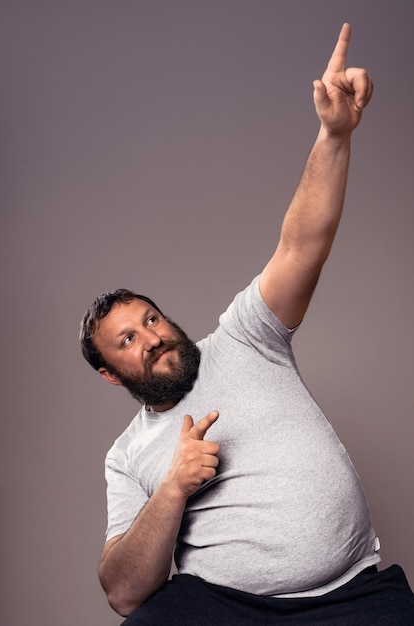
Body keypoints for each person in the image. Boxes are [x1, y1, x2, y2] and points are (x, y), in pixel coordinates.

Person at [80, 23, 414, 625]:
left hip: (353, 595)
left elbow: (301, 245)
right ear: (110, 374)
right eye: (128, 339)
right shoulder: (127, 456)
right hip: (221, 607)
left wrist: (334, 135)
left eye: (150, 318)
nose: (152, 336)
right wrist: (174, 488)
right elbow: (124, 591)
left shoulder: (245, 337)